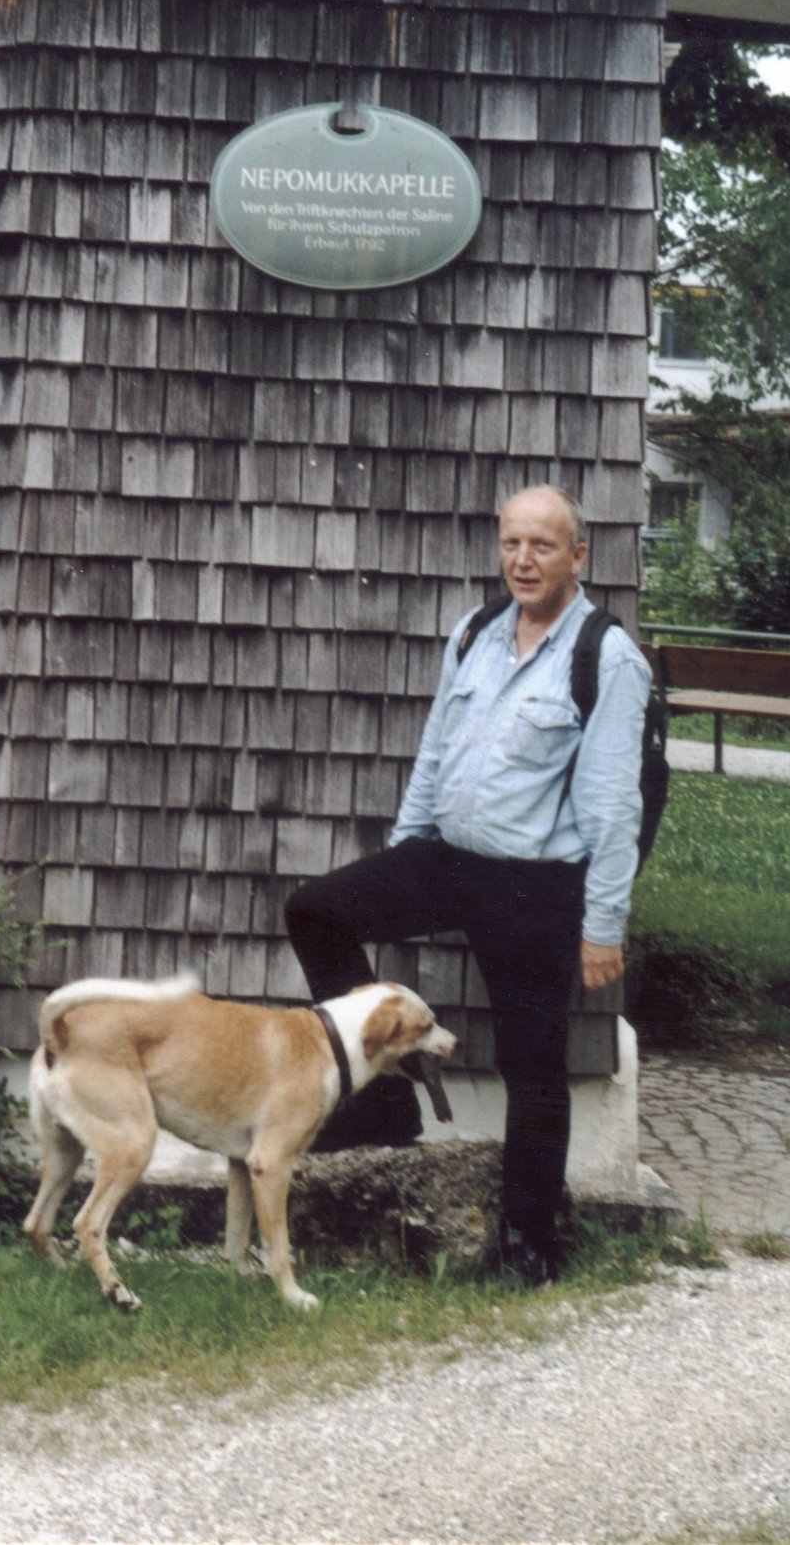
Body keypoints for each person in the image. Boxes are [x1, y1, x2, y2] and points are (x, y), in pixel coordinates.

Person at [284, 484, 650, 1284]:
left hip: (537, 885)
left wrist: (603, 925)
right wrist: (404, 854)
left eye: (543, 546)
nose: (524, 560)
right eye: (512, 543)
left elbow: (614, 807)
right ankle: (383, 1101)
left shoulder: (607, 657)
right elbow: (436, 752)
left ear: (578, 557)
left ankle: (529, 1242)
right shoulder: (477, 632)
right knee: (315, 911)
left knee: (534, 1061)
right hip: (450, 857)